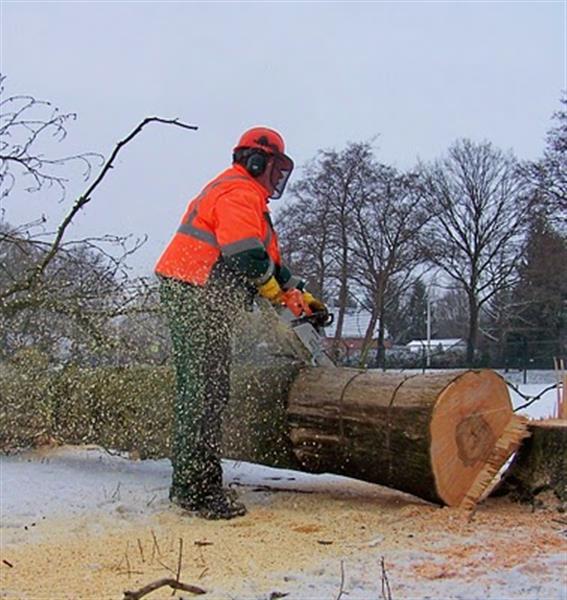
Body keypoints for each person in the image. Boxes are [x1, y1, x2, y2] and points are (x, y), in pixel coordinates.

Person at [155, 127, 326, 519]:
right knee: (204, 388)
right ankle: (195, 489)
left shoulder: (248, 199)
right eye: (273, 167)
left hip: (199, 291)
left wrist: (297, 291)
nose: (275, 177)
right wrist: (272, 291)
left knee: (209, 386)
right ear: (256, 160)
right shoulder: (239, 191)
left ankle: (193, 482)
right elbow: (244, 253)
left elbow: (266, 258)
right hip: (194, 288)